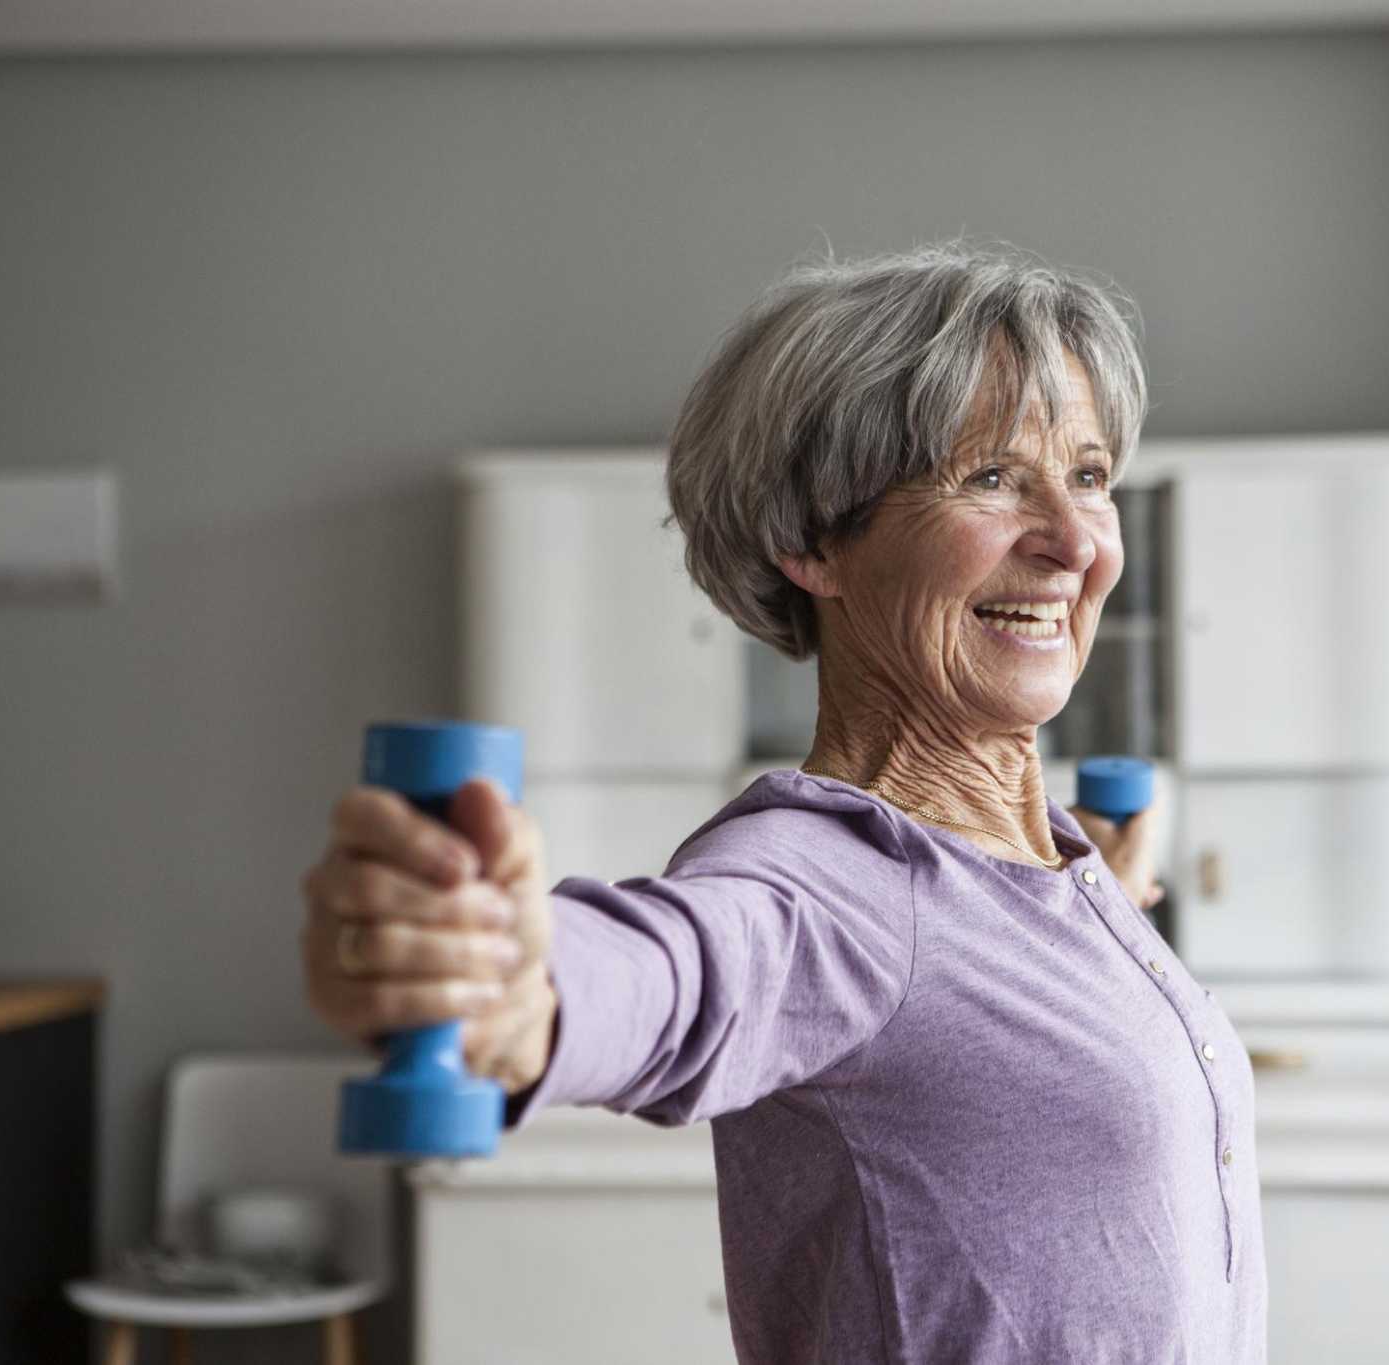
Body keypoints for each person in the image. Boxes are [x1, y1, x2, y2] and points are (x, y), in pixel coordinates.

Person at [300, 240, 1267, 1362]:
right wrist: (514, 989)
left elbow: (977, 1011)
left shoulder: (1022, 856)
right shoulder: (828, 886)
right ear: (815, 540)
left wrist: (1105, 879)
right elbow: (683, 970)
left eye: (1089, 475)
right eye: (993, 479)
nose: (1073, 544)